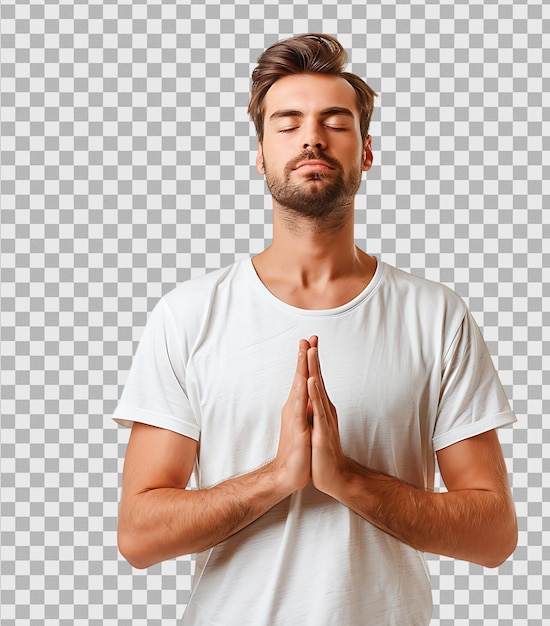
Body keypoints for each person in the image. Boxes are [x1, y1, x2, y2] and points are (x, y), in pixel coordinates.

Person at [113, 33, 517, 626]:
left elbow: (493, 535)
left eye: (335, 122)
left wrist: (349, 480)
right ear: (260, 153)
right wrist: (278, 478)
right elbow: (139, 536)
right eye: (288, 122)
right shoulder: (189, 314)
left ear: (366, 150)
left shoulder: (435, 315)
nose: (311, 138)